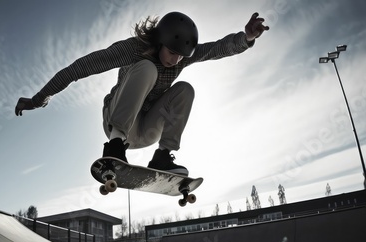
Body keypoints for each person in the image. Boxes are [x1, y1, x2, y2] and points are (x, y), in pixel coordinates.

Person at [15, 12, 269, 176]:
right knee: (147, 68)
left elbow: (215, 49)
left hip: (148, 130)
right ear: (160, 41)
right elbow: (80, 68)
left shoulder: (180, 59)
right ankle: (114, 146)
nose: (176, 60)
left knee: (185, 90)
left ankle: (162, 156)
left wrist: (245, 37)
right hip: (117, 123)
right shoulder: (132, 50)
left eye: (181, 55)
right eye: (172, 52)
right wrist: (39, 99)